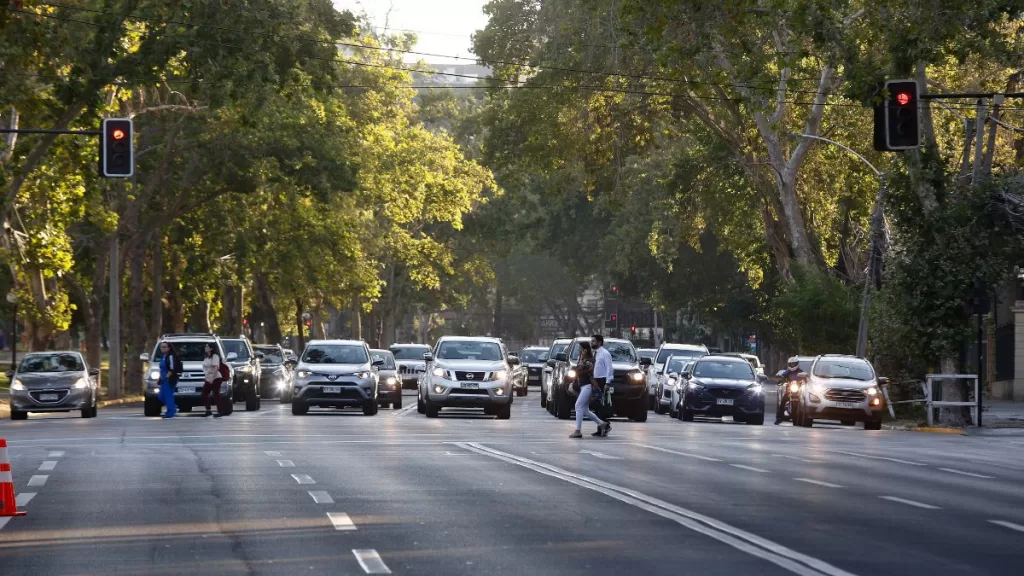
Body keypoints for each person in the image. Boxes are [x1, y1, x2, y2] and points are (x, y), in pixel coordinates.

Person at [570, 341, 606, 438]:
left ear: (585, 350)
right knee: (585, 410)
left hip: (588, 386)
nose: (578, 350)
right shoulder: (582, 359)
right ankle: (602, 424)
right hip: (583, 386)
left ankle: (578, 430)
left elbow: (579, 371)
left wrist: (581, 359)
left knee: (578, 405)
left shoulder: (589, 360)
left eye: (580, 348)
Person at [590, 334, 614, 437]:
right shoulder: (594, 354)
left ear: (599, 342)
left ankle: (606, 425)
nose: (591, 343)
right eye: (591, 341)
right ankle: (600, 428)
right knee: (596, 406)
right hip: (595, 381)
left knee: (601, 406)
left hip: (602, 381)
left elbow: (609, 369)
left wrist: (608, 382)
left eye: (593, 341)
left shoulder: (605, 354)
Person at [774, 356, 803, 425]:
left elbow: (805, 378)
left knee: (804, 402)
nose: (792, 365)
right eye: (791, 364)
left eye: (794, 364)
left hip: (799, 391)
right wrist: (781, 378)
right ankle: (779, 418)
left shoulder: (800, 371)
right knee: (783, 402)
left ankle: (801, 417)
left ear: (797, 364)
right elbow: (783, 376)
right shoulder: (788, 371)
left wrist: (803, 381)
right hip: (789, 390)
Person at [201, 343, 225, 418]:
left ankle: (220, 411)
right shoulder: (206, 358)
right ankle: (208, 410)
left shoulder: (215, 356)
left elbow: (216, 367)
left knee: (216, 394)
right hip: (208, 378)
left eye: (207, 346)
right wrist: (208, 378)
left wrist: (212, 377)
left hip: (216, 377)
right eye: (205, 346)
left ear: (211, 348)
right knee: (204, 394)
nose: (205, 348)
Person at [158, 341, 181, 419]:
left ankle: (170, 413)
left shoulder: (170, 356)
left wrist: (167, 377)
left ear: (169, 348)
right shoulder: (163, 356)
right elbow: (161, 369)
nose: (163, 348)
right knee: (161, 396)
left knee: (168, 396)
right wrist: (160, 378)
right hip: (163, 378)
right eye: (162, 347)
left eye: (165, 347)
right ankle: (173, 407)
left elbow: (172, 368)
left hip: (169, 379)